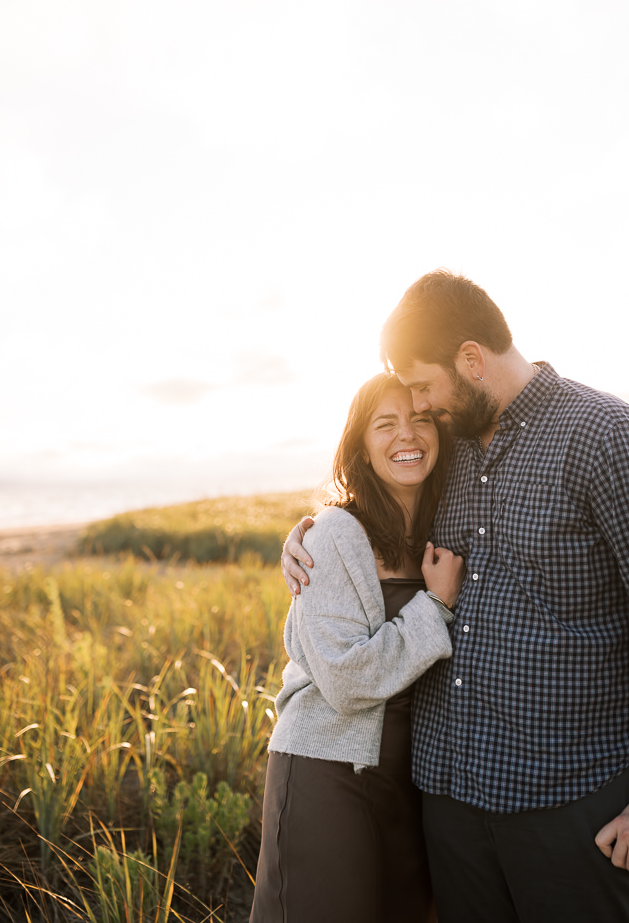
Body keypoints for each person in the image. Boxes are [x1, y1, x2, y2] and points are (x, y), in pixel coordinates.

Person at [283, 270, 629, 923]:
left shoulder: (609, 436)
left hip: (569, 801)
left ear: (471, 360)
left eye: (424, 386)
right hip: (448, 801)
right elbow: (378, 504)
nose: (420, 406)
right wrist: (308, 538)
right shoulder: (447, 449)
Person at [250, 370, 465, 923]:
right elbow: (347, 682)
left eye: (420, 419)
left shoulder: (449, 524)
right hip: (327, 766)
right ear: (362, 448)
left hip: (411, 774)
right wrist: (434, 607)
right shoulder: (337, 534)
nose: (407, 436)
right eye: (385, 424)